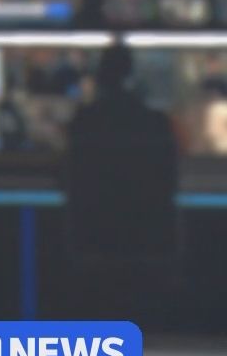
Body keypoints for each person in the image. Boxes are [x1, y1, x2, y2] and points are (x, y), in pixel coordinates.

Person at [64, 45, 180, 269]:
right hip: (149, 239)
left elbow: (71, 176)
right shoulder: (156, 123)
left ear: (100, 78)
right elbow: (169, 179)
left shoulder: (85, 122)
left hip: (94, 238)